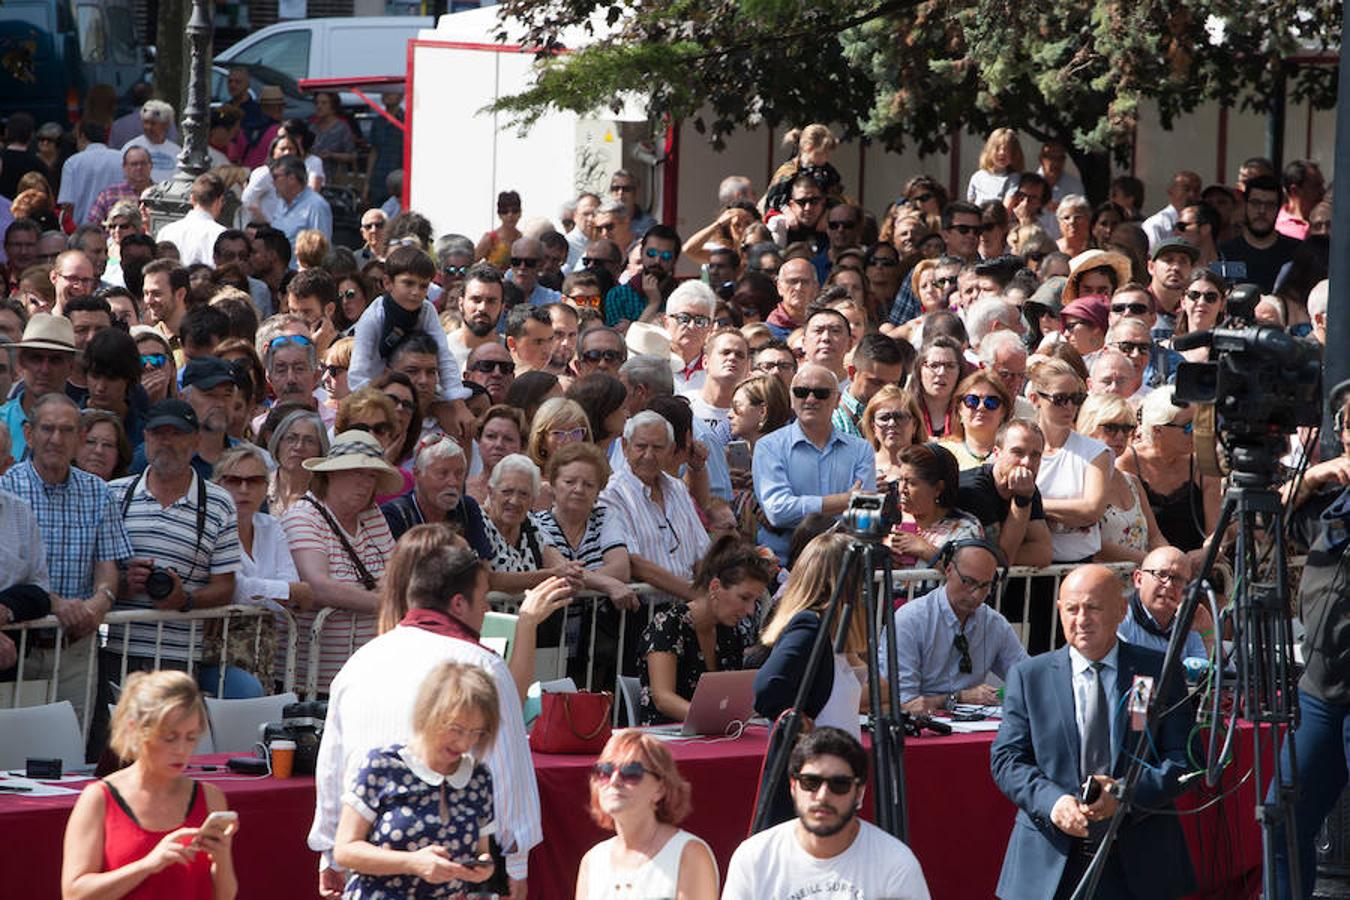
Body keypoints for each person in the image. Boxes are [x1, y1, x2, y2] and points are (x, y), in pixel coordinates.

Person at [310, 539, 542, 900]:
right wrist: (517, 863)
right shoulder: (484, 666)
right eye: (484, 598)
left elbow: (332, 768)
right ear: (459, 603)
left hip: (409, 862)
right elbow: (508, 769)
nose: (487, 608)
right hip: (398, 868)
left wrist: (328, 855)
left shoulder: (359, 661)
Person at [990, 564, 1196, 900]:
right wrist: (1052, 802)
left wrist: (1125, 794)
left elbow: (1185, 761)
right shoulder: (1030, 677)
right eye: (1071, 609)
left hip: (1137, 863)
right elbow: (1007, 759)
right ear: (1059, 611)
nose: (1081, 619)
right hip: (1050, 862)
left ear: (1121, 610)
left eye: (1093, 607)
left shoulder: (1155, 672)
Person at [0, 394, 132, 726]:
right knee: (17, 750)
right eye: (47, 429)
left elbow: (108, 568)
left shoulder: (99, 492)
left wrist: (98, 605)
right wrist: (55, 604)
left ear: (78, 438)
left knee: (71, 748)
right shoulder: (7, 489)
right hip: (24, 641)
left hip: (77, 646)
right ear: (29, 434)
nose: (56, 439)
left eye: (66, 430)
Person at [61, 671, 237, 899]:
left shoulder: (210, 797)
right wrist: (148, 864)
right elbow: (75, 894)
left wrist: (221, 858)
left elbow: (224, 896)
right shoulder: (100, 798)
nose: (182, 750)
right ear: (135, 730)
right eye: (169, 737)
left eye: (191, 737)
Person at [333, 661, 500, 898]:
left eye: (476, 732)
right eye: (456, 728)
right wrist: (411, 862)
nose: (464, 743)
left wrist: (483, 868)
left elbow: (483, 852)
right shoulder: (384, 766)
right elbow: (344, 849)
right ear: (429, 714)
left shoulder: (478, 778)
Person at [108, 399, 239, 674]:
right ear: (145, 437)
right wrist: (124, 583)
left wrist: (184, 600)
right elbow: (93, 576)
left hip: (181, 657)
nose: (166, 442)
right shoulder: (113, 495)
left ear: (196, 440)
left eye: (176, 433)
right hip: (114, 651)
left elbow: (225, 587)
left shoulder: (219, 503)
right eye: (158, 433)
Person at [722, 727, 930, 899]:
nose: (822, 796)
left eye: (839, 784)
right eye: (810, 782)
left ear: (859, 793)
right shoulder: (755, 858)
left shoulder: (895, 864)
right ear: (793, 787)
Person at [281, 430, 399, 693]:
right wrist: (388, 603)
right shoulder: (302, 517)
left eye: (371, 475)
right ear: (332, 473)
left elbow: (397, 576)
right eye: (357, 472)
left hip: (370, 676)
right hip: (312, 682)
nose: (366, 483)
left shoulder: (372, 516)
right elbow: (318, 585)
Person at [637, 535, 772, 724]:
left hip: (712, 736)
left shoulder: (730, 632)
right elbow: (663, 699)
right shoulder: (668, 624)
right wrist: (716, 720)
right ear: (715, 587)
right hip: (665, 742)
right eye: (744, 598)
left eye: (754, 601)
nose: (750, 611)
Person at [349, 245, 473, 446]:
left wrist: (459, 406)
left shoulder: (426, 310)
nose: (416, 292)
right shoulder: (373, 317)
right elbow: (358, 375)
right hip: (377, 392)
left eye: (423, 286)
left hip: (420, 388)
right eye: (408, 283)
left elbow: (443, 356)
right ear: (388, 282)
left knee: (464, 414)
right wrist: (379, 408)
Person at [212, 444, 312, 690]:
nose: (244, 489)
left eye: (254, 480)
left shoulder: (271, 526)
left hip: (263, 651)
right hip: (214, 649)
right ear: (217, 484)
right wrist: (288, 592)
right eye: (234, 480)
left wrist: (272, 592)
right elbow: (236, 588)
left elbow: (290, 578)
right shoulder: (212, 527)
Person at [752, 363, 875, 563]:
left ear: (837, 400)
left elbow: (866, 517)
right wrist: (844, 501)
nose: (810, 399)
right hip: (783, 565)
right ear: (792, 399)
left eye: (821, 393)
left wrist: (802, 509)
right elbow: (778, 511)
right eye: (801, 392)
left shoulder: (861, 449)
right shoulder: (769, 447)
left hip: (843, 566)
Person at [575, 731, 720, 899]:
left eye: (631, 772)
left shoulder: (689, 854)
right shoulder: (593, 861)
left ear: (660, 789)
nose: (614, 780)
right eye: (605, 771)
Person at [885, 539, 1025, 713]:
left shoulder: (994, 623)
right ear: (949, 570)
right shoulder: (910, 620)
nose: (976, 594)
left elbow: (1029, 676)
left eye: (985, 586)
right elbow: (903, 702)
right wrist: (958, 697)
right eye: (968, 582)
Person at [754, 532, 869, 739]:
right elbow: (767, 688)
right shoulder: (809, 625)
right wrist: (801, 728)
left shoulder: (829, 632)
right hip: (813, 765)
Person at [600, 411, 711, 602]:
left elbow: (702, 551)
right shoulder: (612, 494)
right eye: (641, 446)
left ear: (671, 449)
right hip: (644, 613)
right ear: (625, 447)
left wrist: (706, 595)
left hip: (690, 607)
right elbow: (634, 562)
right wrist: (692, 593)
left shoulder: (677, 488)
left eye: (658, 447)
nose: (649, 455)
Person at [1116, 386, 1219, 556]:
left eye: (1198, 424)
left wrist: (1206, 553)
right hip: (1144, 563)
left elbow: (1215, 532)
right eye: (1188, 427)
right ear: (1158, 429)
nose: (1196, 432)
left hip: (1197, 564)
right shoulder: (1127, 463)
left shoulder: (1204, 464)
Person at [1028, 358, 1111, 563]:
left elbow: (1092, 510)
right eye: (1060, 398)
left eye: (1076, 398)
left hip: (1078, 566)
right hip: (1027, 567)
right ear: (1034, 398)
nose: (1070, 407)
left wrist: (1033, 506)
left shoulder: (1095, 451)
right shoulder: (1017, 446)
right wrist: (1070, 514)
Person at [1077, 394, 1165, 566]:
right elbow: (1089, 543)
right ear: (1089, 428)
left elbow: (1154, 536)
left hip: (1138, 584)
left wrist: (1170, 559)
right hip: (1098, 584)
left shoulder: (1132, 481)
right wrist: (1147, 561)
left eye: (1127, 429)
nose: (1120, 435)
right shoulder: (1077, 478)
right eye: (1111, 428)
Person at [956, 419, 1055, 567]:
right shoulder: (973, 488)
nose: (1027, 462)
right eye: (1018, 452)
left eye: (1035, 455)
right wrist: (1021, 502)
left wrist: (1024, 497)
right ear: (997, 453)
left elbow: (1044, 553)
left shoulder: (1027, 487)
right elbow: (1002, 558)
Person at [482, 453, 583, 592]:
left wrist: (573, 574)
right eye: (507, 491)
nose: (514, 501)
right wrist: (550, 575)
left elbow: (561, 567)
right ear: (491, 492)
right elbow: (486, 579)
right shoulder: (478, 524)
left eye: (524, 494)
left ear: (533, 500)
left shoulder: (530, 525)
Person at [381, 433, 491, 557]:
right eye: (442, 474)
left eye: (459, 474)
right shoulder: (395, 516)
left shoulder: (467, 508)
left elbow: (483, 570)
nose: (453, 482)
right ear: (417, 474)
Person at [886, 442, 984, 566]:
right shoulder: (891, 522)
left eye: (911, 483)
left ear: (938, 488)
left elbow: (970, 574)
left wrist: (925, 550)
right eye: (900, 480)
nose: (902, 489)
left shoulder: (965, 528)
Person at [2, 312, 78, 460]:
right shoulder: (1, 420)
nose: (45, 369)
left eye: (55, 360)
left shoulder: (83, 427)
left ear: (71, 366)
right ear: (21, 361)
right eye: (36, 358)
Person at [1116, 545, 1210, 659]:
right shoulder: (1119, 620)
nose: (1169, 584)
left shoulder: (1190, 621)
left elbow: (1221, 672)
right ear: (1139, 579)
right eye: (1161, 574)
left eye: (1178, 578)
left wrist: (1208, 631)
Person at [830, 332, 908, 439]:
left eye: (893, 384)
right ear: (852, 373)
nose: (885, 391)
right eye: (876, 382)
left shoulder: (905, 418)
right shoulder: (831, 420)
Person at [940, 369, 1014, 470]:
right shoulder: (943, 453)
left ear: (1003, 411)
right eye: (972, 401)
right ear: (959, 409)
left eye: (991, 402)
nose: (981, 407)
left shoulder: (1012, 455)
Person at [861, 385, 928, 483]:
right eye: (884, 418)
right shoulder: (860, 466)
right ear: (873, 426)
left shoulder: (928, 465)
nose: (892, 423)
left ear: (915, 425)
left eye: (900, 417)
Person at [466, 405, 526, 504]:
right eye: (491, 436)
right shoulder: (463, 488)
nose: (498, 445)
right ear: (479, 441)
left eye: (508, 439)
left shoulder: (533, 492)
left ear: (522, 445)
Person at [911, 336, 963, 439]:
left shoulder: (969, 412)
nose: (942, 372)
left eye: (950, 366)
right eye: (934, 365)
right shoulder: (906, 411)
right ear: (919, 370)